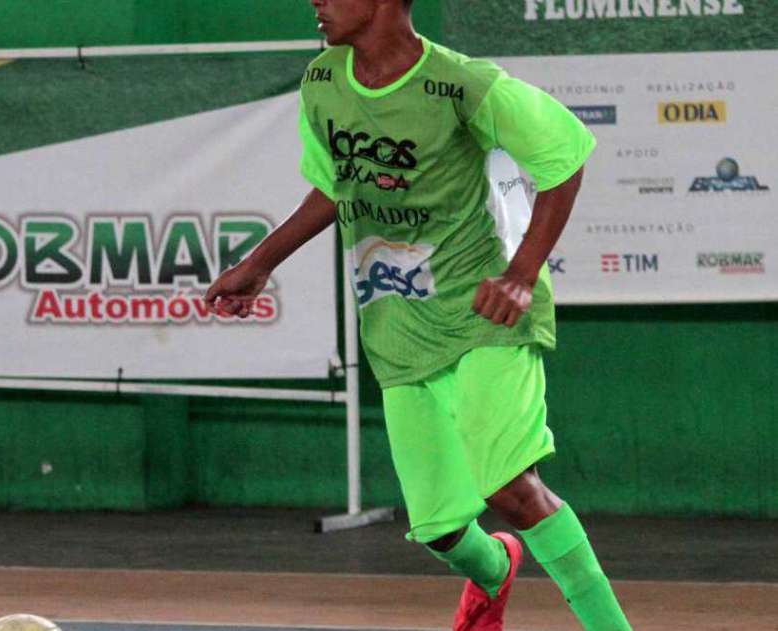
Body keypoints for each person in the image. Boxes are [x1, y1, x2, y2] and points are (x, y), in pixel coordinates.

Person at [203, 1, 633, 630]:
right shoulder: (322, 81)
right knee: (439, 529)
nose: (315, 1)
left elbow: (563, 159)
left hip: (482, 314)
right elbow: (336, 185)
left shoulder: (462, 84)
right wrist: (261, 263)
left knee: (511, 488)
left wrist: (519, 275)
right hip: (396, 326)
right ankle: (496, 571)